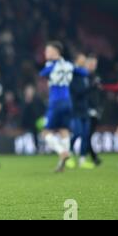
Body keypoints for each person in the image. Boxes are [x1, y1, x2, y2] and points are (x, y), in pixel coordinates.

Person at [39, 41, 87, 172]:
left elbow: (42, 73)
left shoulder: (52, 65)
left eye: (48, 51)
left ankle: (62, 152)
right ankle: (62, 165)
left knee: (46, 133)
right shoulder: (68, 64)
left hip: (55, 102)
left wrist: (53, 65)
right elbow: (83, 72)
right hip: (68, 102)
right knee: (64, 130)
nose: (45, 53)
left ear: (55, 52)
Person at [66, 53, 94, 169]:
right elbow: (78, 92)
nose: (84, 61)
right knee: (77, 132)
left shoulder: (83, 75)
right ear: (77, 60)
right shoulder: (73, 74)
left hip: (84, 109)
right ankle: (69, 151)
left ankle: (82, 159)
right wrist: (92, 87)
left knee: (86, 134)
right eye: (82, 59)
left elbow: (85, 93)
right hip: (75, 108)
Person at [85, 55, 103, 166]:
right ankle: (92, 157)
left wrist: (98, 108)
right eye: (91, 64)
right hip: (86, 109)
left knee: (87, 135)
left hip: (94, 110)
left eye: (94, 64)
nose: (93, 66)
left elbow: (98, 96)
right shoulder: (85, 77)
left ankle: (88, 155)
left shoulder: (96, 77)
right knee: (86, 134)